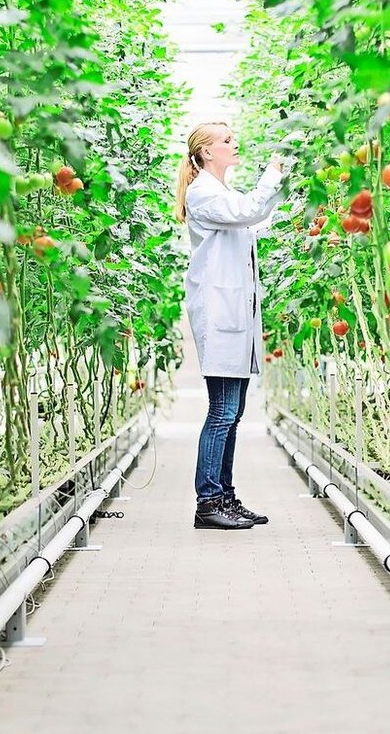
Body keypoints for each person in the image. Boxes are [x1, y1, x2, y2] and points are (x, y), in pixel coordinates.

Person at [175, 122, 288, 530]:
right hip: (220, 315)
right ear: (205, 152)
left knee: (233, 410)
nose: (233, 144)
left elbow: (253, 221)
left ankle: (225, 496)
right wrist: (272, 174)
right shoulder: (203, 192)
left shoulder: (222, 193)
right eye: (225, 140)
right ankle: (208, 502)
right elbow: (247, 212)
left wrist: (285, 198)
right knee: (222, 411)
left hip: (235, 314)